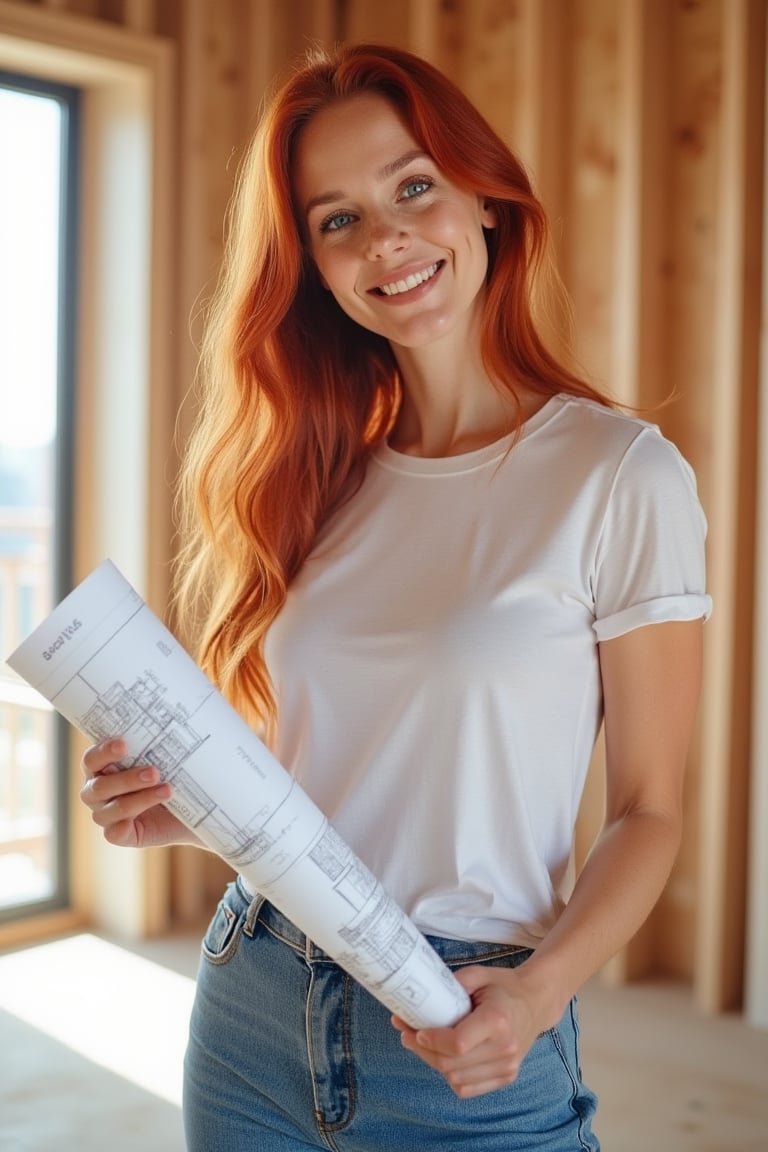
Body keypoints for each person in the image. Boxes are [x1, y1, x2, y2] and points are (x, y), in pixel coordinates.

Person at [80, 41, 712, 1152]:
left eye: (412, 187)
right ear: (316, 267)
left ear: (485, 199)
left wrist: (543, 991)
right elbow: (332, 781)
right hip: (251, 1005)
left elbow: (650, 811)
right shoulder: (317, 476)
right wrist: (192, 812)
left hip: (464, 1028)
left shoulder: (620, 475)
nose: (386, 240)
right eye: (337, 220)